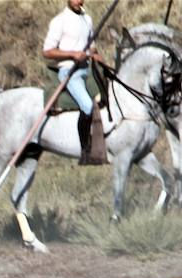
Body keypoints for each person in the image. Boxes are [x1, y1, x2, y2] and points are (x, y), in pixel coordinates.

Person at [42, 0, 107, 164]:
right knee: (87, 105)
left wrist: (96, 54)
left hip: (88, 69)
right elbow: (47, 51)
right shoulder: (59, 21)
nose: (79, 1)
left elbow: (91, 46)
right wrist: (72, 54)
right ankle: (85, 151)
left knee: (108, 96)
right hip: (70, 71)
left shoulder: (87, 19)